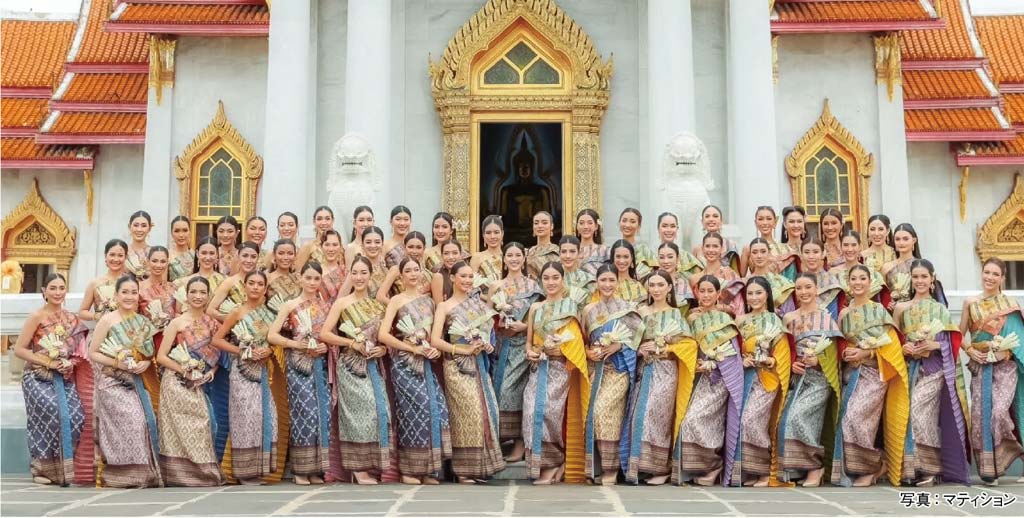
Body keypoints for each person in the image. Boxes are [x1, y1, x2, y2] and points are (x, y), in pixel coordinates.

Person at [893, 259, 970, 486]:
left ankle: (932, 468)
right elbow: (894, 341)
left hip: (934, 370)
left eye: (924, 277)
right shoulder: (900, 308)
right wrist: (904, 348)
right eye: (915, 277)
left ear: (932, 279)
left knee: (919, 412)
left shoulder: (939, 309)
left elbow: (950, 341)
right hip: (909, 369)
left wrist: (933, 345)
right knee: (910, 416)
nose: (920, 281)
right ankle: (913, 470)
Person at [429, 261, 505, 483]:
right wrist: (461, 349)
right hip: (456, 366)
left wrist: (485, 344)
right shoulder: (444, 306)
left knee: (488, 412)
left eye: (471, 277)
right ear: (452, 278)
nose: (467, 280)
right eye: (463, 276)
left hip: (479, 364)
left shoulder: (478, 305)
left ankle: (481, 467)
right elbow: (435, 340)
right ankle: (462, 470)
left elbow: (489, 334)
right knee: (467, 413)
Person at [834, 265, 909, 487]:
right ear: (848, 283)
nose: (858, 283)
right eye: (853, 279)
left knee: (857, 418)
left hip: (876, 374)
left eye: (862, 278)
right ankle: (863, 468)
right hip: (851, 374)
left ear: (870, 282)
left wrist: (865, 352)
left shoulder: (879, 310)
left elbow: (892, 346)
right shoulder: (843, 314)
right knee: (848, 419)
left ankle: (871, 468)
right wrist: (846, 353)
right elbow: (840, 344)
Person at [321, 256, 394, 485]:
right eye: (355, 273)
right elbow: (325, 333)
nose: (359, 277)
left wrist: (383, 349)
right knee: (358, 415)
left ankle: (372, 465)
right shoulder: (342, 303)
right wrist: (350, 343)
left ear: (371, 275)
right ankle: (358, 469)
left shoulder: (379, 305)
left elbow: (385, 337)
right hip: (350, 366)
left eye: (364, 273)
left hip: (373, 366)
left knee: (381, 412)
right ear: (349, 275)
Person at [377, 258, 451, 485]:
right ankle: (409, 470)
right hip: (404, 363)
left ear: (421, 273)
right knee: (414, 412)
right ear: (401, 276)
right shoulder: (396, 301)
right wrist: (410, 348)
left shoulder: (429, 302)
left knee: (437, 410)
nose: (412, 274)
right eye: (407, 270)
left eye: (416, 270)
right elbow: (383, 334)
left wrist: (434, 350)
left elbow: (436, 336)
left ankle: (428, 470)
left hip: (426, 363)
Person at [14, 273, 90, 486]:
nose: (57, 292)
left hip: (63, 376)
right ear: (44, 292)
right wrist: (47, 362)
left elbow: (80, 351)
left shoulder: (72, 319)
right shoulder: (37, 317)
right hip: (37, 376)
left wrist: (70, 363)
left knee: (76, 416)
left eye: (61, 288)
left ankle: (62, 469)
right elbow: (20, 349)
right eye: (53, 288)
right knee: (52, 411)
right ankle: (40, 468)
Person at [622, 271, 697, 486]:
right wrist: (639, 351)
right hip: (643, 369)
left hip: (667, 371)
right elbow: (627, 342)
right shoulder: (639, 312)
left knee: (657, 416)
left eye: (660, 285)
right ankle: (638, 468)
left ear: (669, 288)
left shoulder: (676, 315)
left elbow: (689, 345)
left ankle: (661, 468)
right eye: (652, 285)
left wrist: (667, 348)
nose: (656, 289)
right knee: (638, 415)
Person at [87, 274, 162, 488]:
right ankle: (120, 474)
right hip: (112, 381)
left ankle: (143, 474)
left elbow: (149, 355)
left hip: (138, 381)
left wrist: (146, 363)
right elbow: (93, 352)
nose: (129, 297)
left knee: (145, 421)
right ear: (116, 295)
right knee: (133, 419)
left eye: (133, 292)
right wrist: (118, 363)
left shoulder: (143, 322)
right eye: (125, 292)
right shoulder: (107, 320)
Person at [211, 270, 283, 485]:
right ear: (245, 287)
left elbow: (275, 340)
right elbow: (217, 340)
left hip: (263, 370)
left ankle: (260, 468)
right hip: (242, 370)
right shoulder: (237, 312)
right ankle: (244, 472)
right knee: (245, 418)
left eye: (260, 284)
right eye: (251, 283)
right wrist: (242, 351)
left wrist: (269, 350)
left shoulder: (271, 313)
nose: (255, 287)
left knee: (266, 416)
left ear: (265, 288)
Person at [522, 262, 589, 485]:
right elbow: (528, 342)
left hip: (561, 369)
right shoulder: (535, 308)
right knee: (531, 411)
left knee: (550, 413)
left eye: (555, 278)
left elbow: (578, 341)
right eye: (546, 278)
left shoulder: (571, 307)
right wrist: (531, 352)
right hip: (538, 368)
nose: (550, 282)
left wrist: (561, 350)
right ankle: (539, 464)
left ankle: (553, 463)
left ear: (563, 280)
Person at [960, 257, 1024, 486]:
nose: (990, 277)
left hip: (1005, 367)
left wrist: (1003, 352)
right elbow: (959, 335)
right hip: (980, 366)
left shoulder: (1010, 305)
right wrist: (970, 350)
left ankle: (1014, 452)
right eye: (987, 272)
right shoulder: (970, 302)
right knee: (980, 415)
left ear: (1002, 278)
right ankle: (989, 470)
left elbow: (1019, 340)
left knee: (998, 412)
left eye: (995, 274)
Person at [155, 277, 225, 486]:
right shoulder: (176, 323)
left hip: (203, 382)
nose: (198, 296)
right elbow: (161, 357)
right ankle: (178, 476)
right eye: (193, 292)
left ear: (208, 296)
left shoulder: (213, 323)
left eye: (202, 292)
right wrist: (185, 371)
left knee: (205, 424)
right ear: (186, 295)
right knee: (177, 429)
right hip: (177, 382)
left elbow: (218, 356)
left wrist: (212, 371)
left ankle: (204, 474)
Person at [675, 275, 743, 486]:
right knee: (688, 422)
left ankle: (714, 466)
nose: (705, 295)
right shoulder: (691, 319)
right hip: (697, 378)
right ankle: (701, 468)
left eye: (710, 291)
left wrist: (712, 365)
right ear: (696, 293)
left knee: (695, 419)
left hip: (719, 378)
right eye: (701, 291)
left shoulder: (724, 319)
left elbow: (731, 354)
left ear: (718, 294)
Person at [267, 262, 331, 485]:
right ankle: (301, 470)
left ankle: (316, 469)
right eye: (308, 278)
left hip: (320, 364)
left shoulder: (325, 306)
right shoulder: (290, 305)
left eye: (316, 279)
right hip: (298, 364)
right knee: (305, 412)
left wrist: (326, 346)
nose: (312, 282)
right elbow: (272, 335)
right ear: (300, 278)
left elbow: (330, 335)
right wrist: (295, 344)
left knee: (322, 414)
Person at [581, 264, 644, 485]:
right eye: (603, 280)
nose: (607, 285)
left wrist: (619, 346)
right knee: (592, 416)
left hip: (619, 371)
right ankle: (596, 469)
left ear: (618, 282)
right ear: (596, 282)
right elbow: (583, 341)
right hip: (597, 371)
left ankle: (612, 469)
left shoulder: (628, 309)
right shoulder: (589, 310)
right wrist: (588, 352)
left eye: (611, 280)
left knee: (605, 412)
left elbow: (638, 342)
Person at [778, 273, 842, 487]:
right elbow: (785, 350)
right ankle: (798, 469)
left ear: (816, 290)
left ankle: (816, 466)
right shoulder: (789, 318)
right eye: (799, 288)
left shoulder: (826, 318)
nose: (803, 292)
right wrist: (792, 364)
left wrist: (819, 360)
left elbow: (835, 352)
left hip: (820, 379)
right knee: (788, 419)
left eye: (808, 287)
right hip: (798, 379)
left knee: (799, 416)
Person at [735, 277, 792, 487]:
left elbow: (783, 351)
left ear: (767, 294)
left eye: (758, 293)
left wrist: (771, 360)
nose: (754, 297)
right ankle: (750, 471)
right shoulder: (740, 321)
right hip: (745, 378)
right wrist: (742, 359)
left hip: (767, 377)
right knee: (741, 421)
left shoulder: (775, 320)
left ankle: (766, 472)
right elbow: (734, 350)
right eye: (750, 293)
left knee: (752, 420)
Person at [488, 243, 542, 462]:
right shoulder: (496, 286)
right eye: (509, 255)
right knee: (499, 391)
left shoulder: (534, 286)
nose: (513, 259)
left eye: (517, 255)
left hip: (523, 345)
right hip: (501, 346)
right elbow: (487, 317)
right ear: (503, 259)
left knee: (517, 393)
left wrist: (524, 326)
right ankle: (501, 440)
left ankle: (520, 443)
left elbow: (541, 317)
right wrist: (499, 322)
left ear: (524, 257)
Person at [138, 246, 177, 413]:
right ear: (147, 262)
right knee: (149, 391)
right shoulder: (138, 288)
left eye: (162, 261)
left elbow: (179, 314)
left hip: (170, 344)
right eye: (154, 261)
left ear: (168, 263)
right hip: (146, 344)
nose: (158, 265)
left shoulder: (174, 288)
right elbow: (132, 318)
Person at [690, 233, 744, 316]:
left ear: (722, 249)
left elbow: (738, 308)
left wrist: (717, 308)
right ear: (702, 249)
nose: (711, 250)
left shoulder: (729, 275)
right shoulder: (694, 279)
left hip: (725, 320)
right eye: (707, 246)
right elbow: (690, 308)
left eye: (715, 246)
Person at [209, 242, 262, 320]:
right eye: (245, 256)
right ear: (238, 257)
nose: (249, 260)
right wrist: (232, 319)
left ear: (258, 258)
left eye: (253, 257)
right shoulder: (230, 282)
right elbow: (210, 310)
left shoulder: (262, 281)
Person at [79, 239, 128, 323]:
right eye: (112, 255)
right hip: (103, 328)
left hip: (128, 328)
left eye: (120, 255)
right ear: (105, 256)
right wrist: (97, 316)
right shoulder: (95, 283)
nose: (116, 259)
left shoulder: (132, 282)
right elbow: (82, 312)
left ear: (125, 257)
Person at [174, 238, 226, 313]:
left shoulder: (225, 281)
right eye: (204, 253)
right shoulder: (184, 282)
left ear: (217, 255)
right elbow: (178, 313)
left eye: (211, 253)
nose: (207, 258)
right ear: (197, 254)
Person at [746, 238, 795, 316]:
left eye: (763, 251)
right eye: (754, 252)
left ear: (769, 253)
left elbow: (789, 313)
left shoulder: (782, 282)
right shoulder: (744, 282)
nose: (759, 256)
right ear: (750, 255)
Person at [378, 232, 431, 303]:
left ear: (424, 248)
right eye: (410, 247)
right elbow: (380, 296)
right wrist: (398, 306)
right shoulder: (396, 269)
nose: (414, 251)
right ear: (404, 248)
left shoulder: (429, 273)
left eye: (418, 247)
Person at [833, 230, 884, 304]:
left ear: (860, 247)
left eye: (854, 245)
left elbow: (882, 299)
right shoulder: (833, 273)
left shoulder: (871, 272)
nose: (850, 249)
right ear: (841, 247)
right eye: (846, 245)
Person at [297, 230, 346, 304]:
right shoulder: (314, 273)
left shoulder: (345, 271)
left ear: (340, 247)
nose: (331, 249)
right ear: (321, 247)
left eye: (335, 245)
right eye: (327, 245)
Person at [800, 239, 843, 321]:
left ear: (823, 254)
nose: (811, 256)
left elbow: (833, 317)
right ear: (801, 255)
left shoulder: (831, 282)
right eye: (807, 252)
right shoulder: (797, 281)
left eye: (815, 252)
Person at [882, 223, 922, 309]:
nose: (901, 243)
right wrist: (887, 304)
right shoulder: (886, 267)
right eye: (897, 239)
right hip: (892, 312)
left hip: (916, 310)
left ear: (914, 240)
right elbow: (883, 295)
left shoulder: (921, 266)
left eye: (905, 239)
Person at [653, 212, 703, 278]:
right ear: (658, 228)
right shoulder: (650, 256)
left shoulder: (687, 257)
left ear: (677, 229)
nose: (669, 230)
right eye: (664, 226)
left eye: (672, 226)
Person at [692, 205, 740, 271]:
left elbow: (736, 273)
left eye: (715, 216)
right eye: (707, 216)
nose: (711, 219)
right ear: (702, 222)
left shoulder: (730, 245)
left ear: (721, 221)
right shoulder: (697, 249)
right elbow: (694, 273)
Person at [739, 206, 783, 276]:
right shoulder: (748, 249)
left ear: (775, 222)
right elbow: (741, 276)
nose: (765, 223)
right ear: (755, 223)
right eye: (760, 219)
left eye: (769, 219)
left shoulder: (783, 248)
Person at [656, 242, 695, 313]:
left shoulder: (686, 281)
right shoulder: (651, 281)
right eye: (661, 257)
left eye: (670, 257)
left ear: (678, 258)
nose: (666, 261)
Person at [606, 240, 647, 306]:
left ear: (631, 259)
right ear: (612, 258)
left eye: (626, 257)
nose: (622, 261)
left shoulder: (638, 286)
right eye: (618, 256)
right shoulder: (604, 284)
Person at [618, 208, 655, 279]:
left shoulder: (645, 251)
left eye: (632, 222)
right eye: (624, 221)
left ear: (638, 227)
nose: (627, 225)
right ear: (619, 223)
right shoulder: (613, 249)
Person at [266, 239, 302, 311]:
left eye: (290, 253)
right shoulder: (267, 279)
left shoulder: (298, 278)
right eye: (281, 253)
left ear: (295, 256)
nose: (285, 257)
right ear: (274, 256)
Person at [472, 215, 505, 285]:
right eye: (488, 233)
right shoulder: (477, 257)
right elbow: (471, 285)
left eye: (496, 232)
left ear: (502, 234)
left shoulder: (509, 257)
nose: (492, 236)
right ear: (483, 235)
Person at [526, 211, 560, 280]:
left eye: (544, 223)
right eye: (536, 223)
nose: (540, 226)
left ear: (551, 226)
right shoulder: (528, 252)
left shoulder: (557, 251)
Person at [776, 206, 806, 281]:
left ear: (804, 223)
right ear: (785, 224)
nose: (796, 225)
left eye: (799, 221)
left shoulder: (811, 248)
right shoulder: (776, 250)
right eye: (792, 222)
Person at [430, 240, 464, 305]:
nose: (451, 257)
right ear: (441, 256)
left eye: (455, 253)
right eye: (446, 253)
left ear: (461, 255)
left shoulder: (466, 275)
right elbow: (439, 306)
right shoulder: (438, 277)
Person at [576, 209, 608, 276]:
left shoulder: (604, 250)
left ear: (596, 226)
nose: (586, 227)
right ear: (577, 226)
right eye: (581, 223)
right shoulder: (570, 251)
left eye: (590, 223)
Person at [345, 206, 375, 270]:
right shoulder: (350, 248)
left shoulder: (378, 245)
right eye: (361, 220)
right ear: (354, 223)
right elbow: (349, 273)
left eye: (369, 220)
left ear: (373, 222)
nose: (366, 224)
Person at [125, 210, 153, 278]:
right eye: (136, 225)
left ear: (149, 228)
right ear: (129, 227)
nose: (139, 229)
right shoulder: (123, 252)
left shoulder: (154, 253)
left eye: (144, 226)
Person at [169, 215, 196, 282]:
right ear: (171, 233)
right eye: (177, 231)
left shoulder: (196, 256)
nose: (181, 235)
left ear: (190, 232)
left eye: (185, 230)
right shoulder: (167, 256)